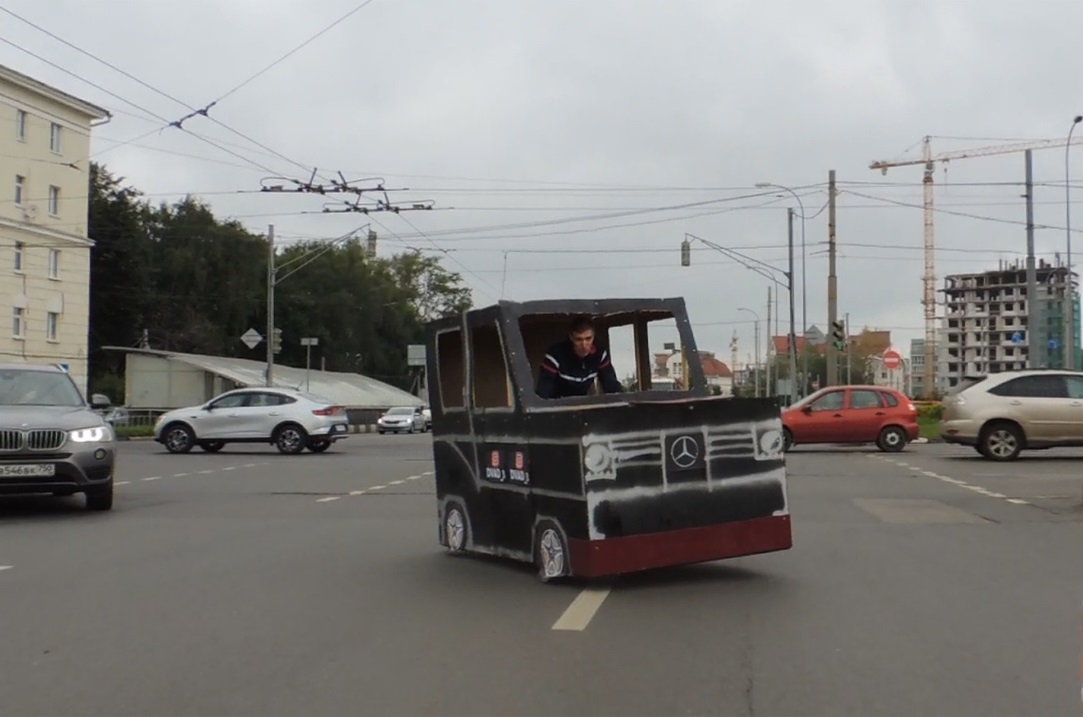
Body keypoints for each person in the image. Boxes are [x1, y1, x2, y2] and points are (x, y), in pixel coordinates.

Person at [536, 315, 623, 398]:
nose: (584, 345)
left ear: (593, 336)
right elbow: (543, 391)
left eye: (588, 338)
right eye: (579, 339)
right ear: (571, 337)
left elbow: (612, 386)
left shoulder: (599, 354)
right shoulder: (555, 355)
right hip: (556, 405)